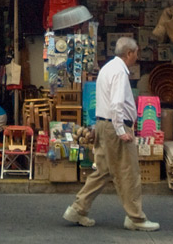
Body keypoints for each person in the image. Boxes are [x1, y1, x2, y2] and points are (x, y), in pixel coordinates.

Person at [63, 37, 160, 232]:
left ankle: (78, 209)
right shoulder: (120, 72)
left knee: (103, 171)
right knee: (129, 173)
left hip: (103, 125)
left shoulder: (107, 68)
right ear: (129, 53)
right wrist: (121, 130)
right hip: (114, 127)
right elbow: (117, 104)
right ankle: (135, 218)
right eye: (136, 53)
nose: (137, 57)